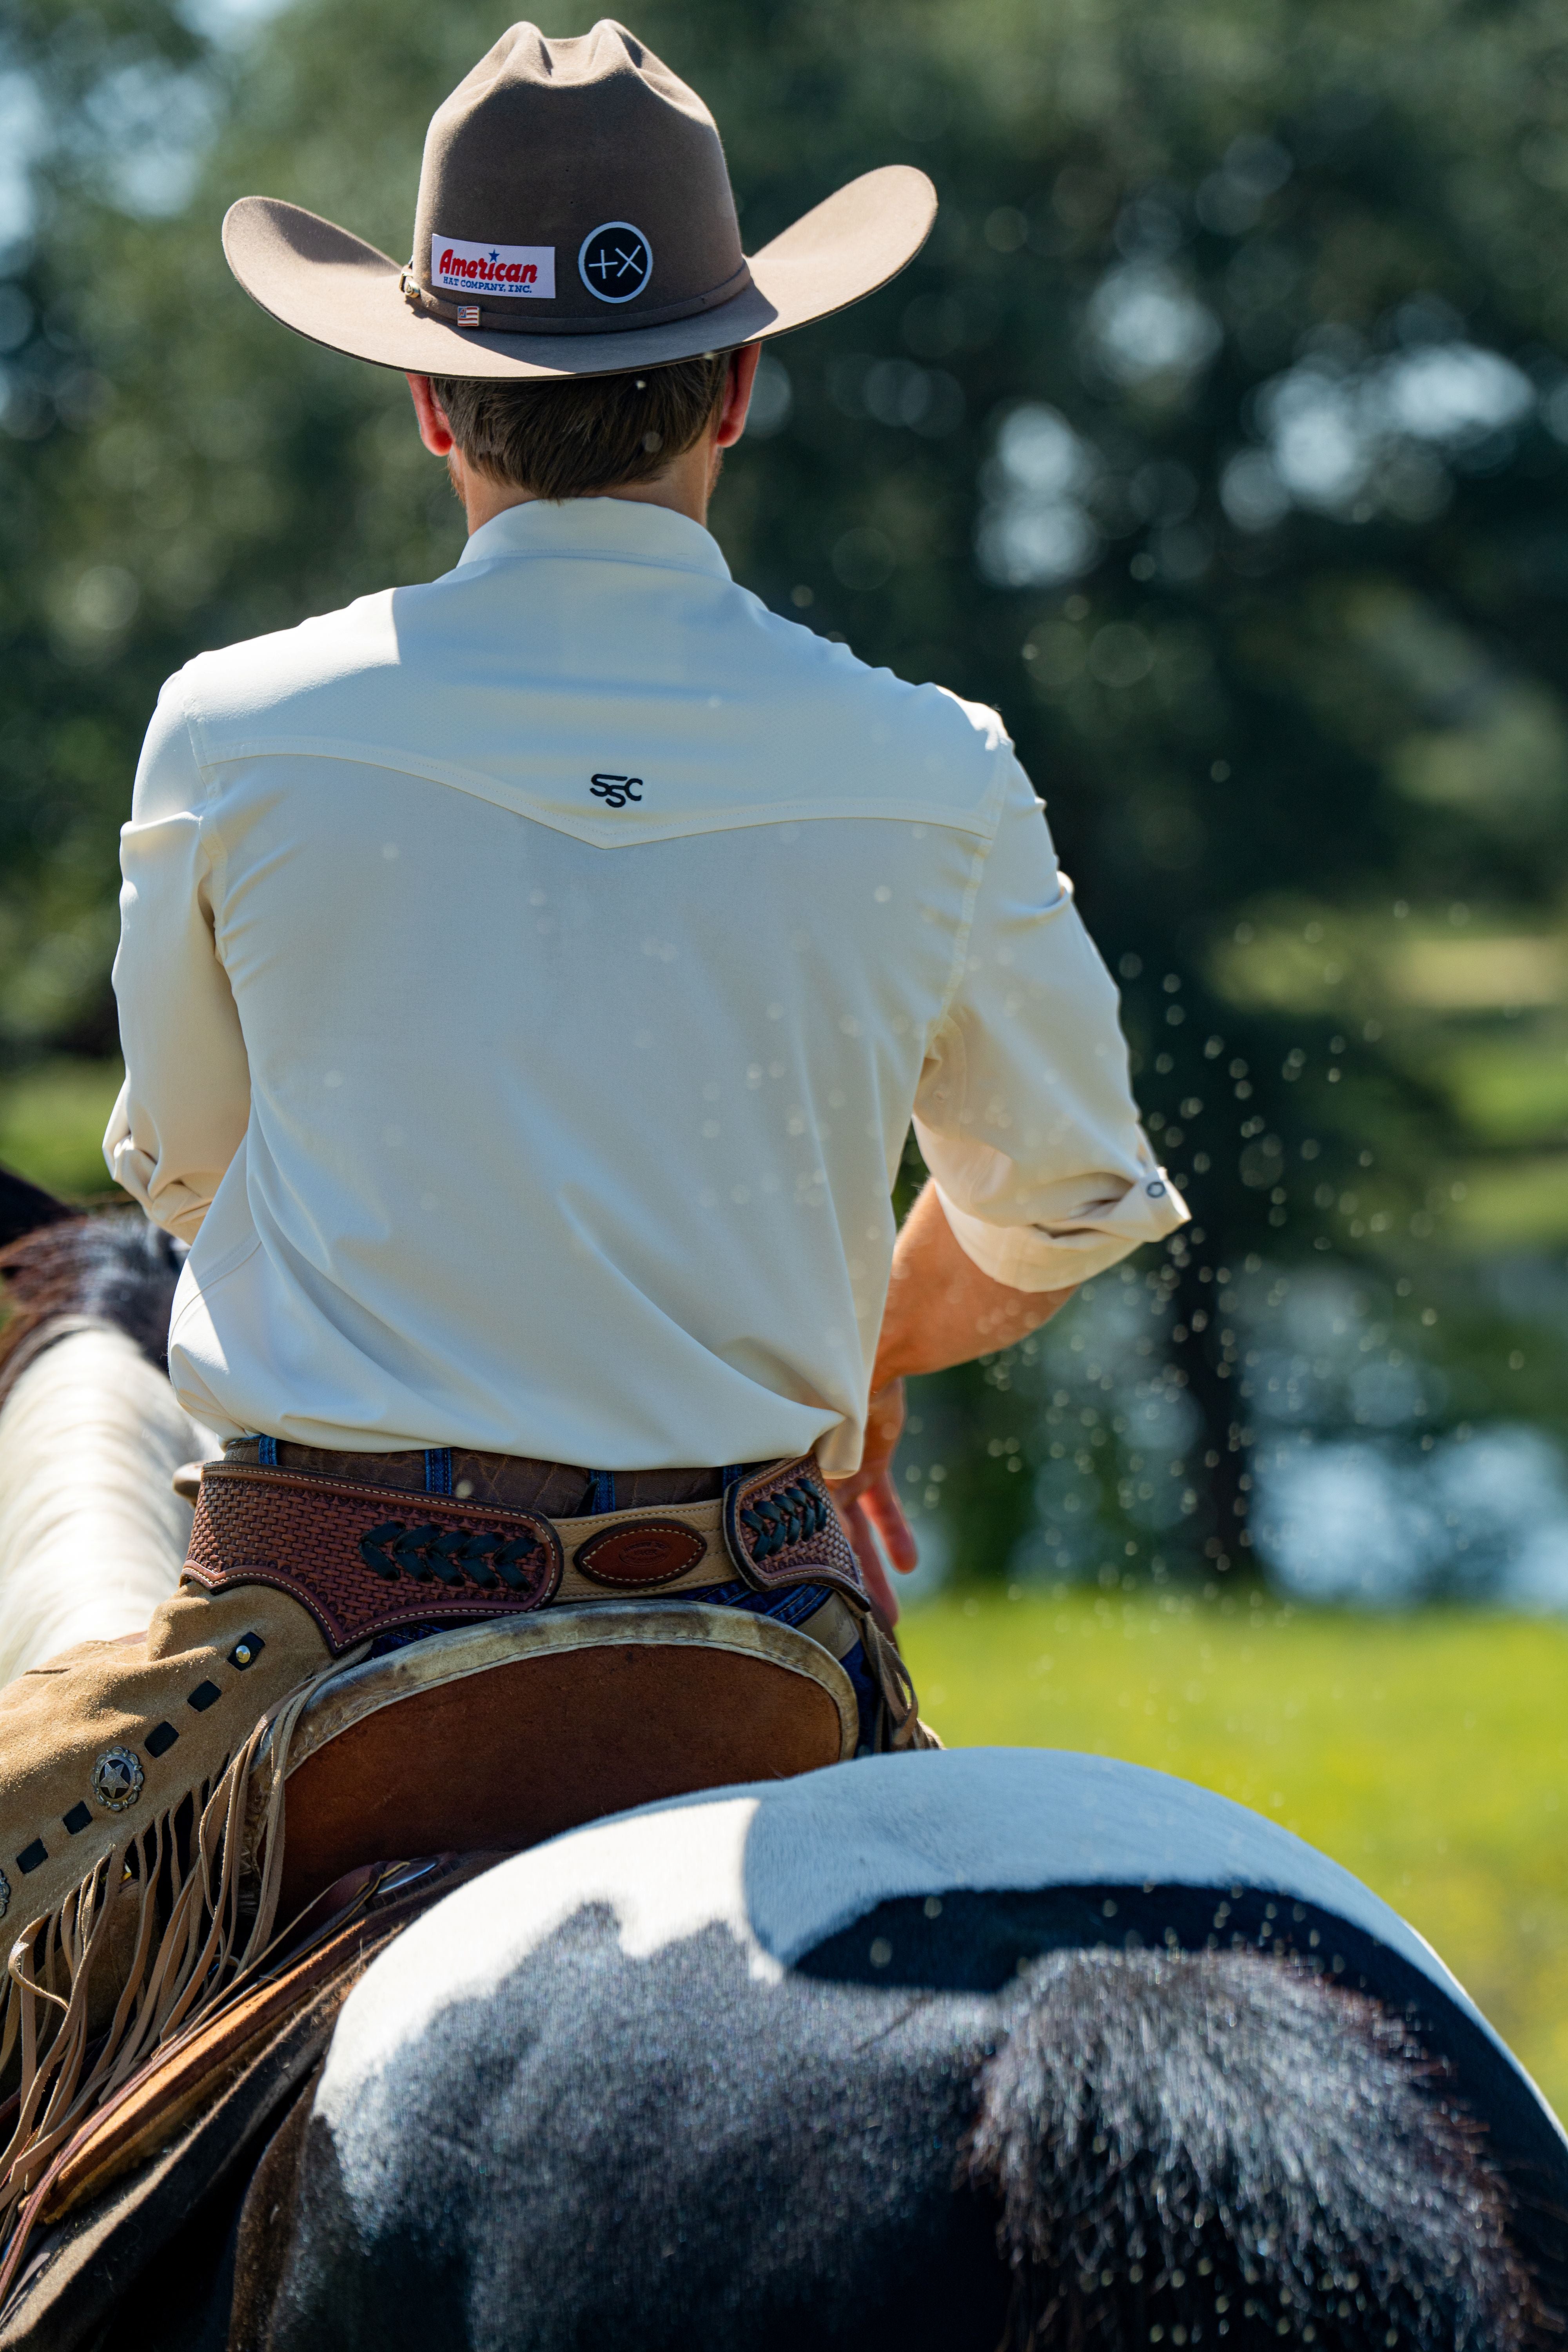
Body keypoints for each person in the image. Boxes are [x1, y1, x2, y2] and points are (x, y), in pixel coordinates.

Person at [0, 19, 1186, 2193]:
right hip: (764, 1641)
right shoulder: (934, 754)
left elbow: (175, 1166)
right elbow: (1074, 1205)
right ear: (735, 388)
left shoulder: (234, 725)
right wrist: (867, 1354)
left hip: (324, 1651)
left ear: (433, 398)